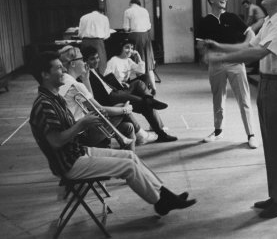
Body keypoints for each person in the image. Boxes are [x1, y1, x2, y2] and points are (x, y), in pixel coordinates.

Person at [29, 51, 196, 217]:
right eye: (58, 68)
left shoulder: (55, 97)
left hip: (78, 152)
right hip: (70, 164)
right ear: (45, 74)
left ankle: (165, 194)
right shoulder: (45, 104)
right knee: (128, 167)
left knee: (129, 157)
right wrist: (82, 124)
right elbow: (56, 141)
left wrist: (82, 124)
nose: (63, 71)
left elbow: (68, 129)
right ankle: (160, 203)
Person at [206, 0, 277, 218]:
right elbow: (248, 47)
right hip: (268, 86)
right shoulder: (271, 21)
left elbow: (258, 53)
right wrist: (219, 47)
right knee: (271, 147)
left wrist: (222, 58)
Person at [197, 0, 258, 149]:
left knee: (244, 98)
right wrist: (203, 53)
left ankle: (251, 134)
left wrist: (245, 47)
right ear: (211, 0)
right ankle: (218, 131)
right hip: (216, 63)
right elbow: (200, 43)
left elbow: (250, 33)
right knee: (218, 98)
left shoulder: (233, 17)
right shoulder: (204, 21)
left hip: (235, 62)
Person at [81, 44, 177, 143]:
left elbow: (104, 84)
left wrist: (119, 83)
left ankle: (149, 99)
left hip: (116, 90)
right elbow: (93, 97)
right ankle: (160, 132)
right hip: (111, 97)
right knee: (145, 103)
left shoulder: (93, 70)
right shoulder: (85, 75)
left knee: (139, 83)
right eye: (92, 59)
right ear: (85, 61)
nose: (96, 61)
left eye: (97, 58)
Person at [123, 0, 157, 95]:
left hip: (135, 37)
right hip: (146, 36)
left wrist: (128, 29)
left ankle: (143, 88)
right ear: (139, 4)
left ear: (131, 4)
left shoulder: (128, 11)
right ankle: (154, 87)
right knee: (148, 63)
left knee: (137, 62)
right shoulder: (144, 10)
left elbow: (126, 28)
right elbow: (149, 26)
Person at [78, 8, 111, 75]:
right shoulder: (104, 18)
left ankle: (86, 77)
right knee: (100, 64)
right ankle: (99, 79)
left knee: (85, 62)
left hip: (85, 42)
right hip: (98, 42)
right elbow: (107, 35)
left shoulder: (83, 17)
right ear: (101, 12)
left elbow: (80, 34)